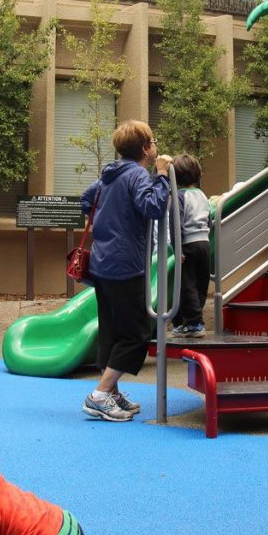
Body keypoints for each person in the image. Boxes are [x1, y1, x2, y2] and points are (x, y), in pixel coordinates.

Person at [80, 120, 172, 422]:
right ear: (146, 149)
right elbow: (154, 207)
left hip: (102, 264)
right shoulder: (137, 175)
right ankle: (101, 395)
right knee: (136, 332)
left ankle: (113, 393)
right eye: (153, 141)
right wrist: (161, 176)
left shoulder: (109, 175)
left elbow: (85, 201)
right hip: (125, 265)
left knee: (112, 330)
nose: (155, 146)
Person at [170, 153, 211, 338]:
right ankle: (186, 322)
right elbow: (209, 219)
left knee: (187, 285)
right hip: (205, 243)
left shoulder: (179, 196)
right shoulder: (202, 195)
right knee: (202, 283)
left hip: (187, 244)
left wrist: (176, 249)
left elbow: (175, 224)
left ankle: (194, 323)